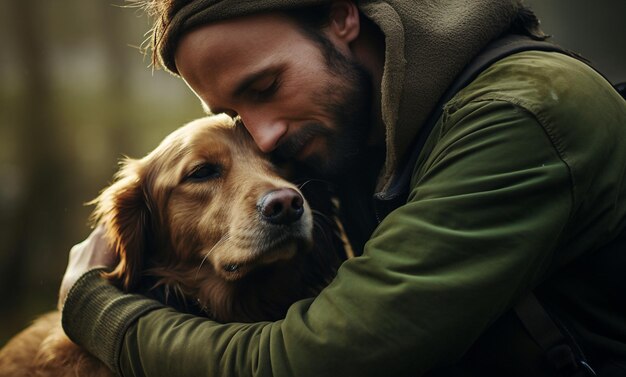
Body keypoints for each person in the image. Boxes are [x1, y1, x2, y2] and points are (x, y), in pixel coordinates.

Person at [58, 0, 626, 376]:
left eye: (267, 84)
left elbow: (313, 362)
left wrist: (93, 307)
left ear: (341, 15)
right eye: (234, 112)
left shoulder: (519, 116)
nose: (267, 136)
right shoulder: (357, 129)